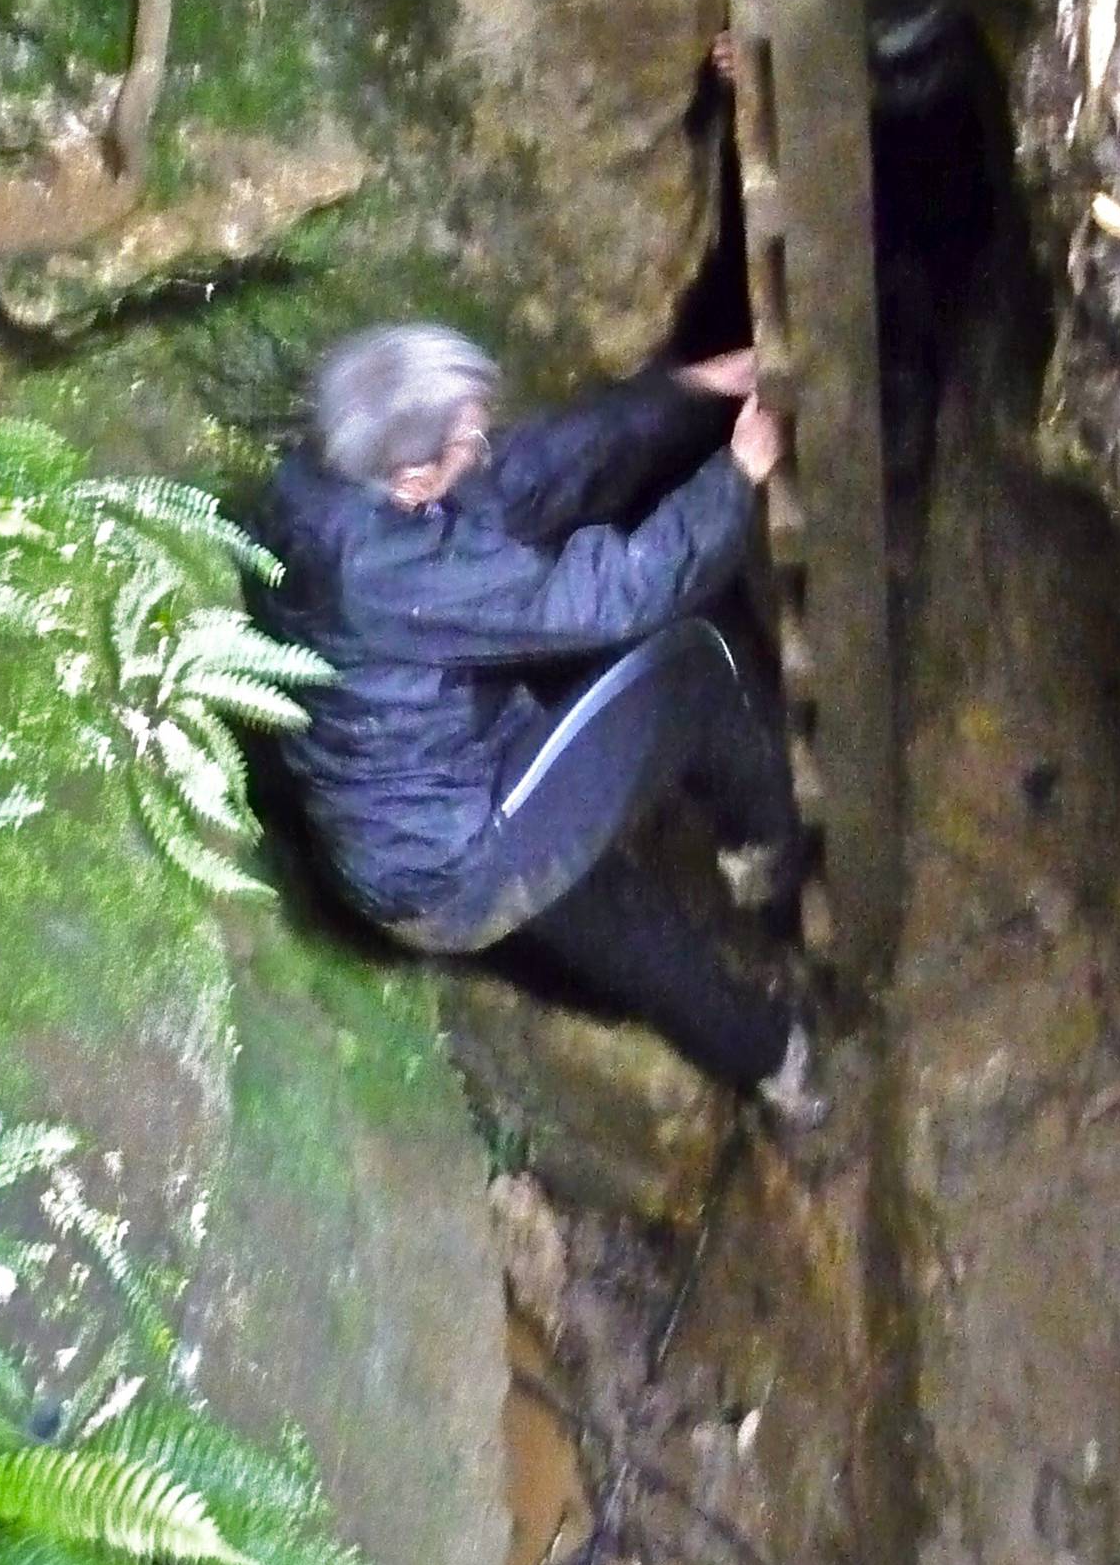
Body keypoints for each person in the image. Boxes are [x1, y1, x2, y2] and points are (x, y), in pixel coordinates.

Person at [251, 322, 823, 1118]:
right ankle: (772, 863)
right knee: (695, 670)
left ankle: (780, 1065)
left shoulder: (323, 484)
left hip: (397, 836)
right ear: (413, 480)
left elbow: (522, 476)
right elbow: (611, 595)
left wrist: (687, 390)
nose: (483, 446)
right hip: (454, 852)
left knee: (596, 900)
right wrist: (735, 476)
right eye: (467, 439)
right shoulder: (383, 575)